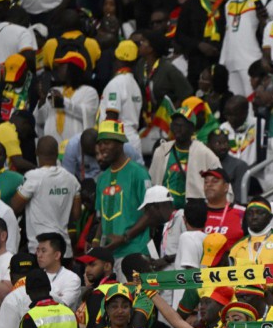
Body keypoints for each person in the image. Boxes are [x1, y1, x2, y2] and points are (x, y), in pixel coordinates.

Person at [94, 123, 152, 259]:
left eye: (107, 143)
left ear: (120, 144)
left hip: (134, 253)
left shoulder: (139, 173)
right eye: (100, 143)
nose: (102, 148)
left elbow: (151, 213)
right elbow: (103, 216)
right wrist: (96, 240)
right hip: (108, 257)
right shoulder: (102, 178)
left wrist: (125, 237)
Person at [148, 106, 220, 208]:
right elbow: (151, 183)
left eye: (182, 125)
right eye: (175, 125)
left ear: (192, 129)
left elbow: (220, 186)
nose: (178, 129)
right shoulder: (161, 151)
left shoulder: (205, 154)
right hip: (164, 214)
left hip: (192, 216)